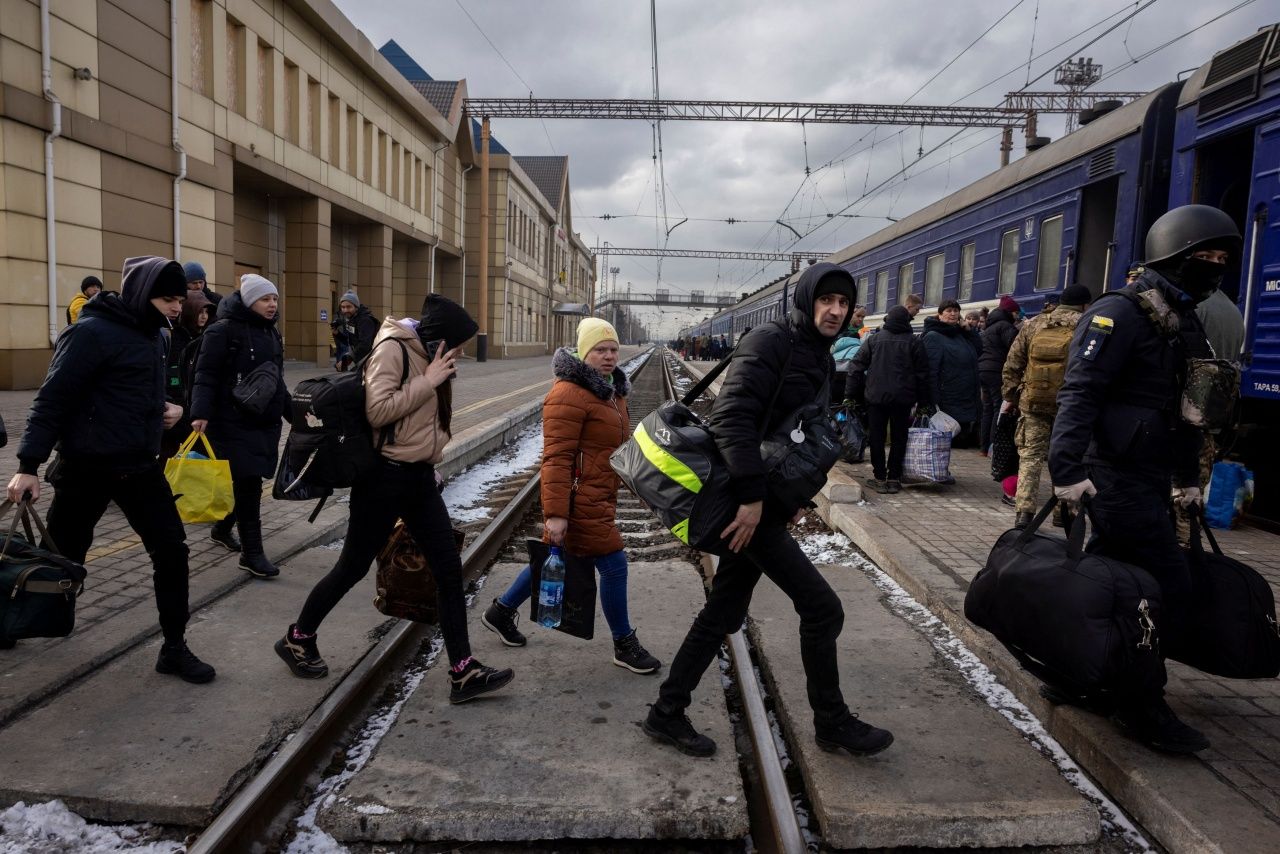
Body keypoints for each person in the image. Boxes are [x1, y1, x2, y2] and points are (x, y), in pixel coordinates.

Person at [644, 261, 893, 759]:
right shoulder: (771, 342)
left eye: (843, 303)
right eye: (827, 300)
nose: (836, 311)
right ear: (806, 300)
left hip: (770, 504)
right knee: (823, 608)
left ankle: (666, 713)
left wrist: (795, 499)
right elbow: (732, 421)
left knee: (723, 611)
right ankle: (831, 721)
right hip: (747, 506)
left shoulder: (819, 354)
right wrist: (755, 499)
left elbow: (802, 433)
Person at [1049, 204, 1241, 755]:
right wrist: (1066, 471)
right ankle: (1141, 704)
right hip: (1114, 475)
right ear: (1173, 257)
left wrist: (1186, 478)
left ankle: (1084, 676)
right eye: (1203, 256)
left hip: (1150, 474)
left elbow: (1186, 408)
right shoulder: (1121, 313)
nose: (1213, 267)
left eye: (1221, 258)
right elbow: (1079, 392)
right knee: (1163, 587)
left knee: (1113, 583)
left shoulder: (1180, 319)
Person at [276, 294, 514, 703]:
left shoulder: (431, 358)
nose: (460, 353)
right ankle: (298, 638)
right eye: (456, 345)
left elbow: (419, 421)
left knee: (448, 570)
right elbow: (379, 411)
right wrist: (431, 379)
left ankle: (463, 670)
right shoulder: (393, 350)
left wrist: (429, 459)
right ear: (438, 340)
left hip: (417, 479)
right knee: (351, 568)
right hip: (381, 481)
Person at [6, 256, 215, 683]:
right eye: (168, 298)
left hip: (139, 467)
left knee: (172, 552)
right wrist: (28, 466)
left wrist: (169, 410)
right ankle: (11, 619)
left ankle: (174, 648)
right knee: (60, 558)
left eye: (180, 299)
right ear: (142, 294)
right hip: (85, 469)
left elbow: (131, 393)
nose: (177, 307)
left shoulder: (154, 334)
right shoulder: (90, 333)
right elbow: (52, 401)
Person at [481, 319, 661, 674]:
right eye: (600, 350)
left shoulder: (612, 391)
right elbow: (556, 459)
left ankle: (500, 612)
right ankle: (624, 644)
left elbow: (615, 448)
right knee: (613, 566)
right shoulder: (568, 394)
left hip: (597, 494)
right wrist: (556, 514)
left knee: (554, 557)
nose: (609, 356)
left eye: (613, 349)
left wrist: (642, 483)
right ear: (584, 352)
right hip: (579, 499)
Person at [190, 274, 289, 579]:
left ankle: (221, 529)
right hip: (230, 420)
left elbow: (277, 379)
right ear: (249, 301)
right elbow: (205, 374)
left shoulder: (272, 334)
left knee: (246, 482)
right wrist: (200, 412)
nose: (272, 305)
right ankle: (252, 554)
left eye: (274, 299)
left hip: (264, 421)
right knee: (248, 486)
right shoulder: (222, 330)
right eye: (265, 299)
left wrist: (295, 414)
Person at [1000, 284, 1092, 528]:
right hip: (1070, 407)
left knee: (1030, 458)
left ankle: (1024, 515)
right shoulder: (1087, 324)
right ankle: (1063, 514)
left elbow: (1012, 364)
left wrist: (1010, 397)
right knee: (1065, 457)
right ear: (1085, 304)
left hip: (1033, 403)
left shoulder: (1033, 324)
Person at [1172, 285, 1246, 544]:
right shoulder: (1233, 311)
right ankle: (1188, 548)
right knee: (1191, 497)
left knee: (1174, 494)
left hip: (1183, 416)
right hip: (1209, 418)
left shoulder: (1191, 307)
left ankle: (1177, 556)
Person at [845, 304, 932, 494]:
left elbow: (855, 368)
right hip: (903, 399)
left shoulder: (873, 340)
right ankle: (894, 478)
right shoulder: (914, 342)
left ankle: (879, 477)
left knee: (876, 437)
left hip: (876, 398)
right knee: (900, 438)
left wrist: (850, 395)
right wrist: (924, 403)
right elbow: (923, 375)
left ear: (887, 320)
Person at [922, 299, 982, 448]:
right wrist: (933, 399)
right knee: (950, 444)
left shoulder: (961, 334)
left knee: (961, 441)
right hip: (947, 399)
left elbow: (979, 350)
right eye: (948, 311)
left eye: (956, 311)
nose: (953, 314)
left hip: (965, 396)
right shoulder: (933, 336)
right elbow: (931, 370)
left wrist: (969, 331)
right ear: (940, 315)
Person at [161, 288, 212, 459]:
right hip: (173, 407)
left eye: (206, 311)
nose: (204, 316)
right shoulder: (173, 337)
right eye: (199, 311)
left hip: (193, 410)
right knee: (169, 458)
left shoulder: (207, 337)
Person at [978, 297, 1020, 456]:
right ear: (1010, 312)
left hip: (983, 369)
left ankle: (983, 447)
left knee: (987, 408)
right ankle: (993, 447)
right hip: (996, 370)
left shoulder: (989, 327)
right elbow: (1015, 347)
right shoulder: (1005, 326)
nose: (1017, 315)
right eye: (1016, 312)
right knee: (998, 407)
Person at [331, 290, 379, 371]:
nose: (345, 310)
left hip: (372, 361)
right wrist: (337, 334)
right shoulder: (352, 319)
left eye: (349, 307)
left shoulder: (365, 320)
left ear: (356, 307)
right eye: (343, 307)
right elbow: (351, 342)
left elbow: (364, 345)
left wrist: (348, 358)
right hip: (362, 361)